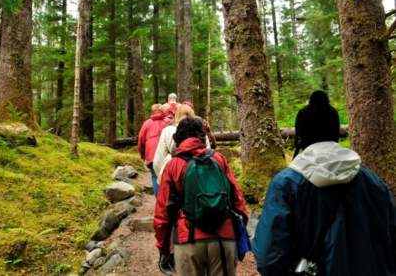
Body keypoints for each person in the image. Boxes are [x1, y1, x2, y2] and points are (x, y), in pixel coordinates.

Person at [253, 91, 396, 276]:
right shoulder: (373, 182)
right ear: (336, 132)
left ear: (301, 136)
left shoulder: (287, 184)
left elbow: (268, 259)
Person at [154, 118, 248, 276]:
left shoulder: (173, 166)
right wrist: (241, 234)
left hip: (188, 240)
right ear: (202, 137)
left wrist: (164, 250)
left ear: (178, 139)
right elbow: (237, 198)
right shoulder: (219, 159)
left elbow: (163, 214)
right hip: (223, 239)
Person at [153, 104, 211, 183]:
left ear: (176, 115)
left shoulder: (167, 131)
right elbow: (208, 153)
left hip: (175, 175)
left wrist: (164, 177)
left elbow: (158, 161)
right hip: (200, 176)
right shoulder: (201, 131)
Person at [137, 104, 168, 196]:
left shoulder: (147, 123)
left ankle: (159, 200)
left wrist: (143, 155)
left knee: (155, 177)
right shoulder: (168, 122)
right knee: (167, 178)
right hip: (165, 155)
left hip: (151, 156)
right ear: (163, 111)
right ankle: (167, 200)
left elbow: (141, 141)